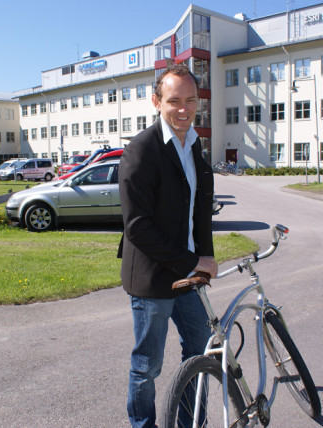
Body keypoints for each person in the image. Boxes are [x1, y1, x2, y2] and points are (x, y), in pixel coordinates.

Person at [118, 63, 218, 428]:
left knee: (201, 352)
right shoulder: (142, 150)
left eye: (191, 100)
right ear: (156, 102)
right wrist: (192, 261)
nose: (184, 108)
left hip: (189, 274)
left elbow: (200, 212)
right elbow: (138, 228)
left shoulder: (194, 147)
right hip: (153, 279)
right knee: (147, 366)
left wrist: (204, 258)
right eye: (174, 100)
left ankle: (190, 423)